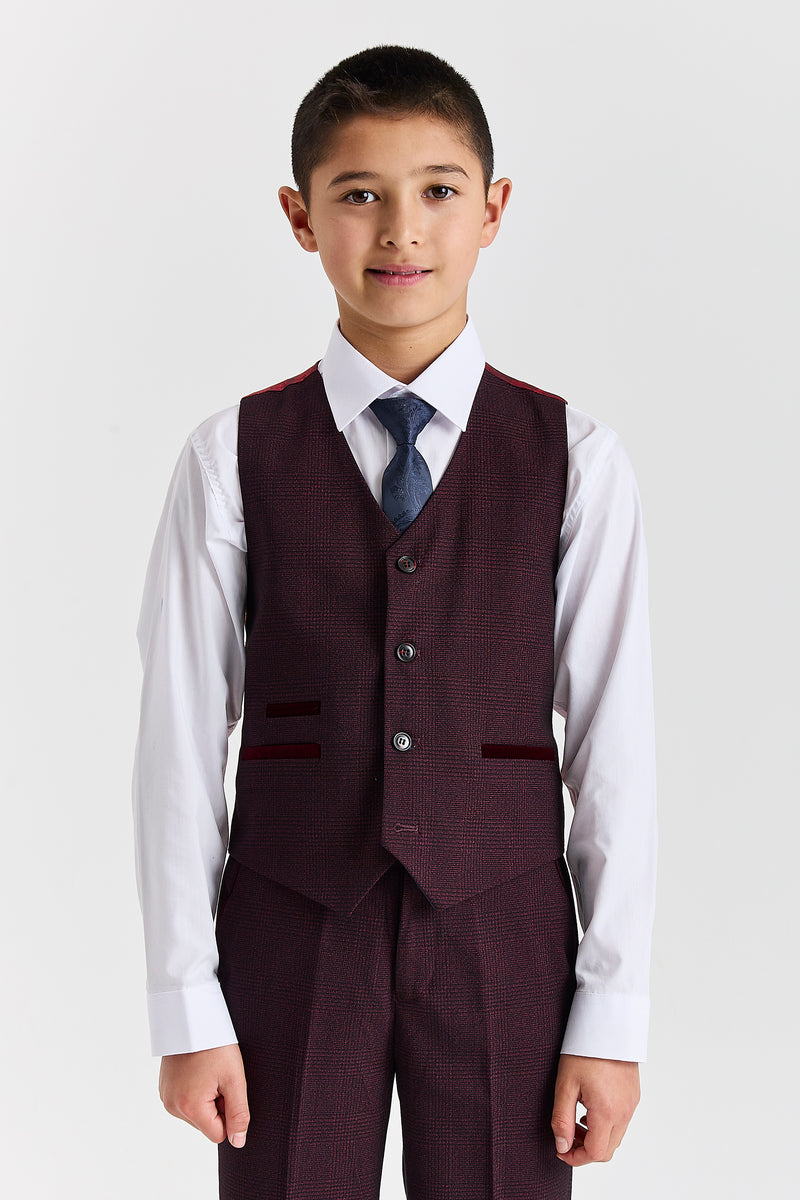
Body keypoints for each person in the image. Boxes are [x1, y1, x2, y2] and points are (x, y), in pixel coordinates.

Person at [133, 44, 657, 1200]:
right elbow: (177, 740)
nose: (400, 230)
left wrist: (610, 1012)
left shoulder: (574, 460)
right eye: (358, 194)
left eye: (437, 190)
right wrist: (185, 1001)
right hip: (289, 926)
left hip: (504, 928)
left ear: (493, 209)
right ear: (299, 216)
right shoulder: (230, 457)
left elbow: (612, 749)